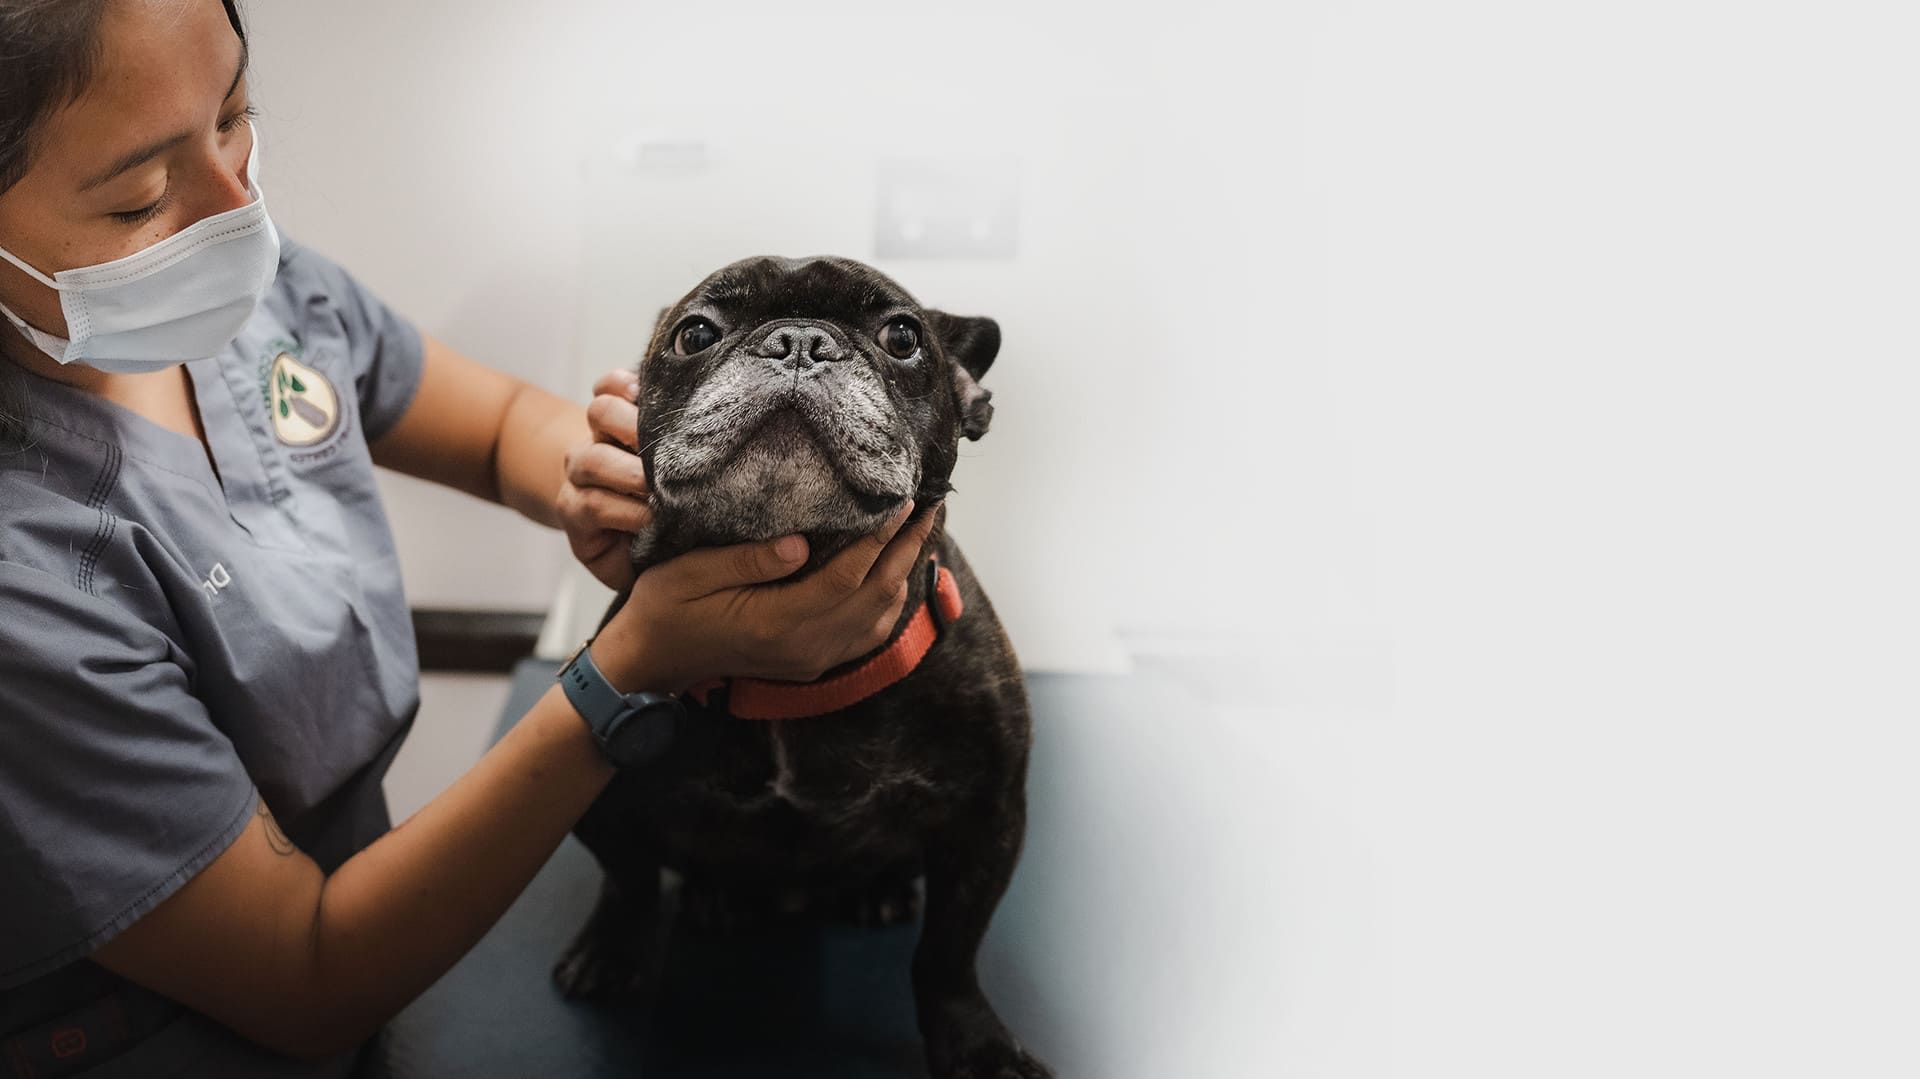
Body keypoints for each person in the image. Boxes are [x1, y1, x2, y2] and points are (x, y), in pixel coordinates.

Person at [0, 2, 936, 1075]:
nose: (232, 209)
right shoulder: (26, 595)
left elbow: (499, 431)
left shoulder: (251, 299)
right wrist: (627, 672)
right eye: (140, 196)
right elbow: (303, 975)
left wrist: (613, 484)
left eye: (233, 117)